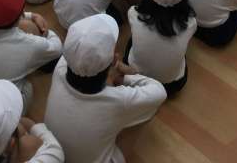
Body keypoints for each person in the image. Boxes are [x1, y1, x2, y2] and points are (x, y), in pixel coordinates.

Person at [45, 14, 167, 163]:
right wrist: (124, 76)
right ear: (114, 59)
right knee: (151, 109)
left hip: (53, 153)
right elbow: (159, 91)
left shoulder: (59, 68)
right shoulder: (118, 100)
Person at [127, 0, 197, 96]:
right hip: (172, 85)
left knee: (133, 38)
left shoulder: (133, 14)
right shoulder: (191, 23)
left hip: (135, 78)